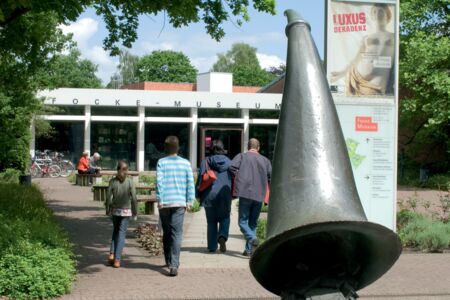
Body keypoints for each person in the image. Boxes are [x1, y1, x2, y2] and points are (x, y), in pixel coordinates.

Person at [330, 4, 395, 96]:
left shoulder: (394, 36)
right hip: (355, 77)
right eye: (375, 12)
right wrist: (341, 73)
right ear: (372, 16)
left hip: (375, 83)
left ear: (387, 14)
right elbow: (356, 59)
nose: (378, 14)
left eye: (381, 11)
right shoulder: (366, 38)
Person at [156, 136, 195, 276]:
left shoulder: (161, 162)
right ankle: (174, 265)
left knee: (167, 232)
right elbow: (190, 183)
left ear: (166, 148)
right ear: (178, 148)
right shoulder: (185, 163)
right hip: (179, 202)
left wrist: (159, 200)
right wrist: (190, 201)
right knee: (177, 233)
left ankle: (168, 259)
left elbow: (159, 182)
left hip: (165, 203)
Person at [230, 138, 272, 257]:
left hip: (245, 192)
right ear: (258, 148)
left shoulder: (242, 156)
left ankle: (253, 239)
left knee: (242, 222)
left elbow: (232, 167)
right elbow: (270, 176)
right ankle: (249, 250)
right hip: (259, 194)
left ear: (248, 147)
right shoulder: (265, 160)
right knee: (253, 223)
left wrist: (239, 176)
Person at [197, 140, 232, 253]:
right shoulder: (229, 162)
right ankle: (222, 236)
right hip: (224, 195)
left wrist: (198, 194)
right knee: (225, 217)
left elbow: (201, 179)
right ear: (222, 149)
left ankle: (212, 247)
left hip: (209, 195)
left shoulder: (206, 161)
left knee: (211, 222)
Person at [105, 160, 137, 268]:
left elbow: (108, 197)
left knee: (115, 231)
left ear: (117, 170)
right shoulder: (130, 181)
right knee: (122, 234)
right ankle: (117, 260)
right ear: (126, 170)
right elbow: (134, 198)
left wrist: (107, 208)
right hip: (126, 211)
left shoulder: (112, 181)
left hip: (115, 211)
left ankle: (111, 254)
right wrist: (135, 210)